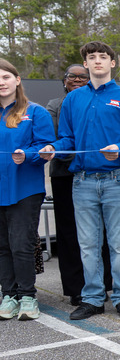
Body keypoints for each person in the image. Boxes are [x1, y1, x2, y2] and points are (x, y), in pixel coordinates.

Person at [40, 41, 120, 321]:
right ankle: (92, 298)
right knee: (87, 244)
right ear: (86, 64)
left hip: (118, 179)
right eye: (92, 57)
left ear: (113, 63)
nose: (97, 61)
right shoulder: (72, 100)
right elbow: (68, 138)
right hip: (83, 182)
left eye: (103, 57)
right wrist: (54, 148)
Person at [46, 63, 110, 305]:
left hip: (95, 173)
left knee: (97, 231)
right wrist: (84, 153)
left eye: (83, 77)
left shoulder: (101, 101)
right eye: (71, 76)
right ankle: (76, 288)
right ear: (64, 81)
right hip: (65, 175)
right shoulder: (55, 105)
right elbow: (58, 138)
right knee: (70, 232)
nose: (77, 79)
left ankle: (102, 284)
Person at [0, 59, 55, 321]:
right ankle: (8, 296)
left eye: (6, 77)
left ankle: (28, 297)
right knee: (2, 247)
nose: (1, 82)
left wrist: (29, 154)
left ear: (17, 80)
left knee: (21, 245)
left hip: (25, 189)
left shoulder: (36, 112)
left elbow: (46, 148)